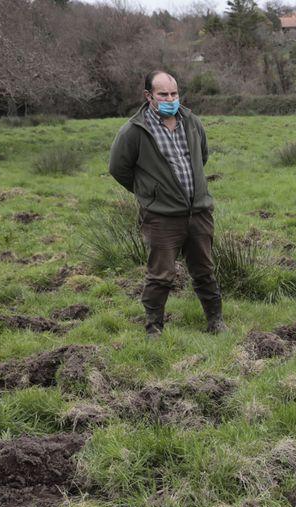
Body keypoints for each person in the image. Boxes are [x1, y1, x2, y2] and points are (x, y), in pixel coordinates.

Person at [108, 70, 223, 337]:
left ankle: (215, 321)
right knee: (161, 275)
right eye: (163, 94)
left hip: (198, 212)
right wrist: (150, 194)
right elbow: (118, 168)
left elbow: (201, 156)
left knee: (205, 270)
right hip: (161, 217)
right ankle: (153, 327)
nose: (170, 99)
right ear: (149, 96)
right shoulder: (134, 131)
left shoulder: (191, 121)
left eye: (174, 93)